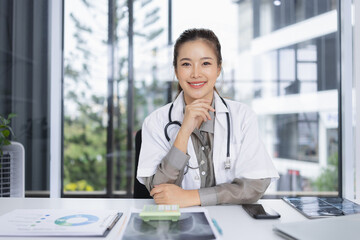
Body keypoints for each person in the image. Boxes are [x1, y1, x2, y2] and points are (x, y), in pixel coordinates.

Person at [137, 28, 279, 207]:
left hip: (232, 225)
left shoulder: (243, 116)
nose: (196, 73)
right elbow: (159, 190)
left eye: (205, 63)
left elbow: (255, 185)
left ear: (218, 68)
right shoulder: (155, 122)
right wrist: (184, 131)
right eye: (186, 64)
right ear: (176, 70)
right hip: (178, 225)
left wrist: (191, 197)